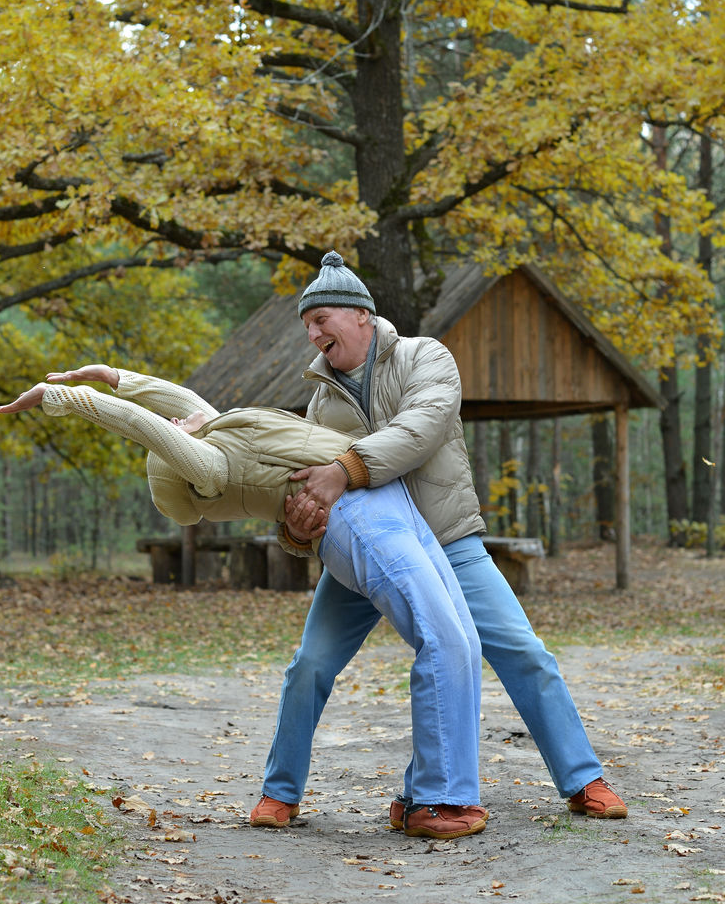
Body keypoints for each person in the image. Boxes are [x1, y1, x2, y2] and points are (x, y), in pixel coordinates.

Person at [0, 364, 487, 840]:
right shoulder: (213, 468)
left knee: (450, 640)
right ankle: (436, 801)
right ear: (180, 460)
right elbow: (146, 427)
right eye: (175, 434)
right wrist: (65, 400)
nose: (177, 421)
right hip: (358, 517)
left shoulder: (221, 429)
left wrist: (110, 376)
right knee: (442, 640)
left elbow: (174, 403)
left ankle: (319, 794)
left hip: (394, 501)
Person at [252, 251, 628, 830]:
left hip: (448, 541)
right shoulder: (320, 401)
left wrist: (345, 468)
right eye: (307, 324)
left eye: (322, 317)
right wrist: (298, 533)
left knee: (523, 653)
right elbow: (303, 489)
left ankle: (583, 779)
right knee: (309, 666)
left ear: (360, 315)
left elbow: (420, 429)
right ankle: (280, 792)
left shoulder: (426, 357)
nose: (313, 332)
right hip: (362, 559)